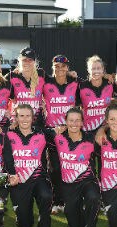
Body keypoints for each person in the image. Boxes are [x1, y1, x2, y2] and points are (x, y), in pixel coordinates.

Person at [52, 108, 100, 227]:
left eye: (77, 120)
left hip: (87, 181)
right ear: (65, 122)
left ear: (82, 122)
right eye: (71, 120)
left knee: (93, 197)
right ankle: (83, 211)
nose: (74, 123)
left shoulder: (91, 139)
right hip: (69, 185)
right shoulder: (57, 136)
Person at [6, 104, 53, 227]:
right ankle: (22, 213)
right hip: (18, 181)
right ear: (16, 118)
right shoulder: (7, 134)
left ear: (33, 118)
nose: (25, 119)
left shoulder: (42, 133)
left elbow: (65, 132)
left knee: (46, 195)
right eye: (21, 116)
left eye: (28, 116)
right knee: (25, 224)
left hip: (38, 177)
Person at [43, 55, 79, 214]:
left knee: (70, 167)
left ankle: (71, 199)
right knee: (55, 169)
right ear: (53, 67)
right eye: (56, 66)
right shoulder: (46, 82)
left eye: (63, 66)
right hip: (52, 132)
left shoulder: (75, 83)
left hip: (70, 131)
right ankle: (57, 201)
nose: (60, 69)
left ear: (68, 68)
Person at [9, 47, 45, 128]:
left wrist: (70, 74)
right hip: (19, 122)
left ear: (35, 62)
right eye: (24, 60)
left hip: (37, 123)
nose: (27, 62)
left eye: (30, 60)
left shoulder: (41, 74)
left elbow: (57, 81)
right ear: (19, 61)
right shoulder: (12, 76)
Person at [78, 55, 113, 135]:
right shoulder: (81, 86)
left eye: (99, 68)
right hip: (88, 130)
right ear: (88, 70)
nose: (96, 71)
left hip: (107, 129)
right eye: (93, 69)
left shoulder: (110, 84)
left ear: (103, 69)